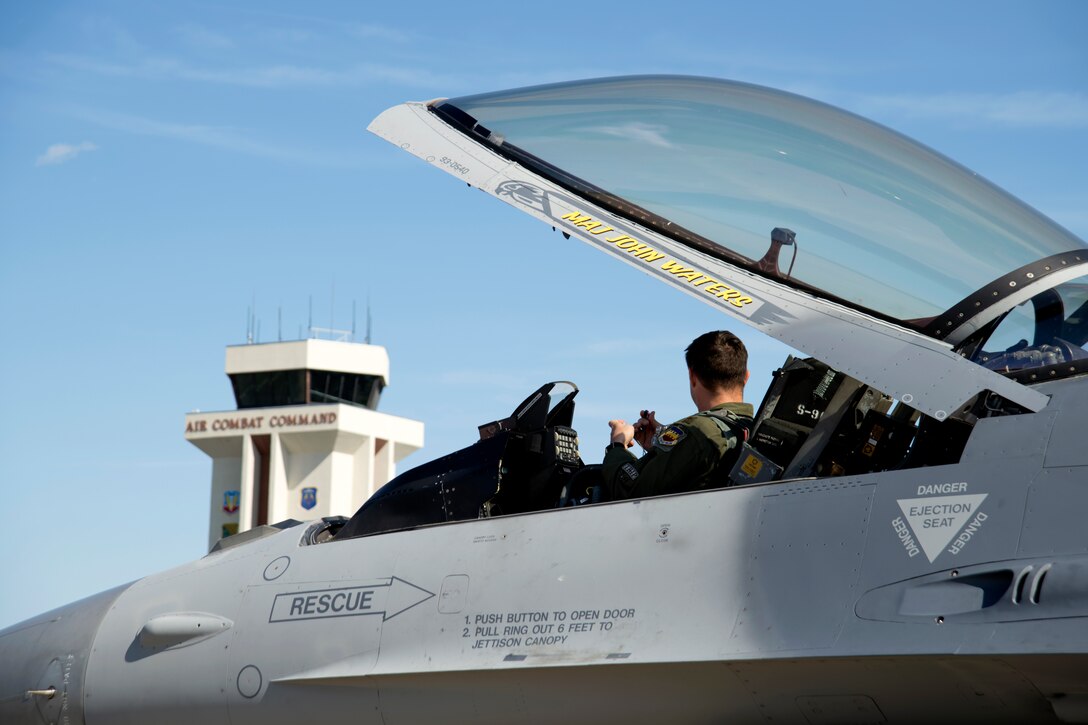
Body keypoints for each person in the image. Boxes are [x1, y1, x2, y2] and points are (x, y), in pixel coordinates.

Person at [602, 330, 754, 500]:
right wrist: (661, 446)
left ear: (693, 376)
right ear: (746, 377)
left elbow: (629, 489)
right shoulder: (752, 429)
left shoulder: (698, 431)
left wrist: (617, 444)